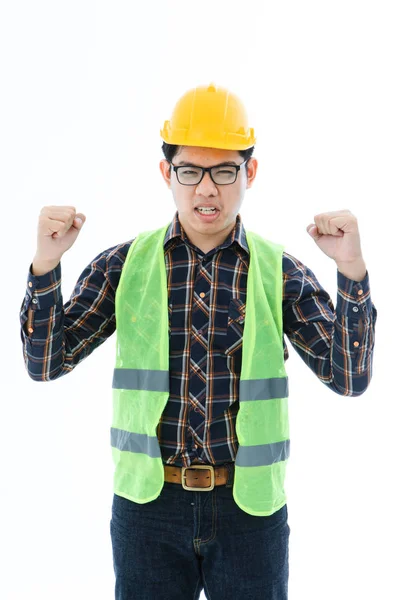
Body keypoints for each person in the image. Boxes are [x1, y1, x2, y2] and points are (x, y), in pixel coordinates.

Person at [20, 82, 377, 600]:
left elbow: (349, 378)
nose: (206, 189)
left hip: (249, 512)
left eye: (224, 171)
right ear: (167, 174)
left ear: (248, 173)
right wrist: (45, 268)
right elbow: (47, 363)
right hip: (147, 510)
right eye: (190, 171)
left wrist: (351, 271)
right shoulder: (125, 266)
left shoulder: (278, 272)